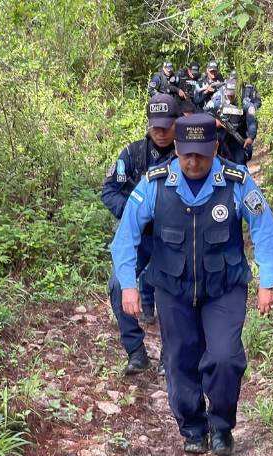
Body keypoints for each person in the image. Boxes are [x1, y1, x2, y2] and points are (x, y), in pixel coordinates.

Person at [110, 114, 273, 456]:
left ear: (215, 148)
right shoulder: (155, 184)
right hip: (172, 288)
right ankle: (193, 428)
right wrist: (128, 284)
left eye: (201, 155)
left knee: (225, 357)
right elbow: (126, 236)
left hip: (224, 287)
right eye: (186, 154)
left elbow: (265, 230)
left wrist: (268, 282)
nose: (193, 162)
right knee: (179, 359)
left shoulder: (237, 182)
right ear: (176, 148)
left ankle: (221, 426)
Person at [101, 94, 180, 375]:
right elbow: (109, 191)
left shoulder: (189, 155)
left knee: (174, 294)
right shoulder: (132, 155)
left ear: (177, 123)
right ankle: (136, 351)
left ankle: (170, 357)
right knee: (118, 285)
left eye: (166, 126)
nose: (161, 132)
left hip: (176, 239)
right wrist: (134, 212)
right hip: (139, 238)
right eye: (155, 126)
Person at [205, 78, 257, 165]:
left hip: (238, 135)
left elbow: (252, 121)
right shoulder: (217, 100)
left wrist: (251, 137)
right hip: (221, 136)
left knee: (239, 162)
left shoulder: (246, 103)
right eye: (229, 94)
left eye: (233, 94)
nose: (230, 97)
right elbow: (206, 113)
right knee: (218, 161)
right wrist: (214, 121)